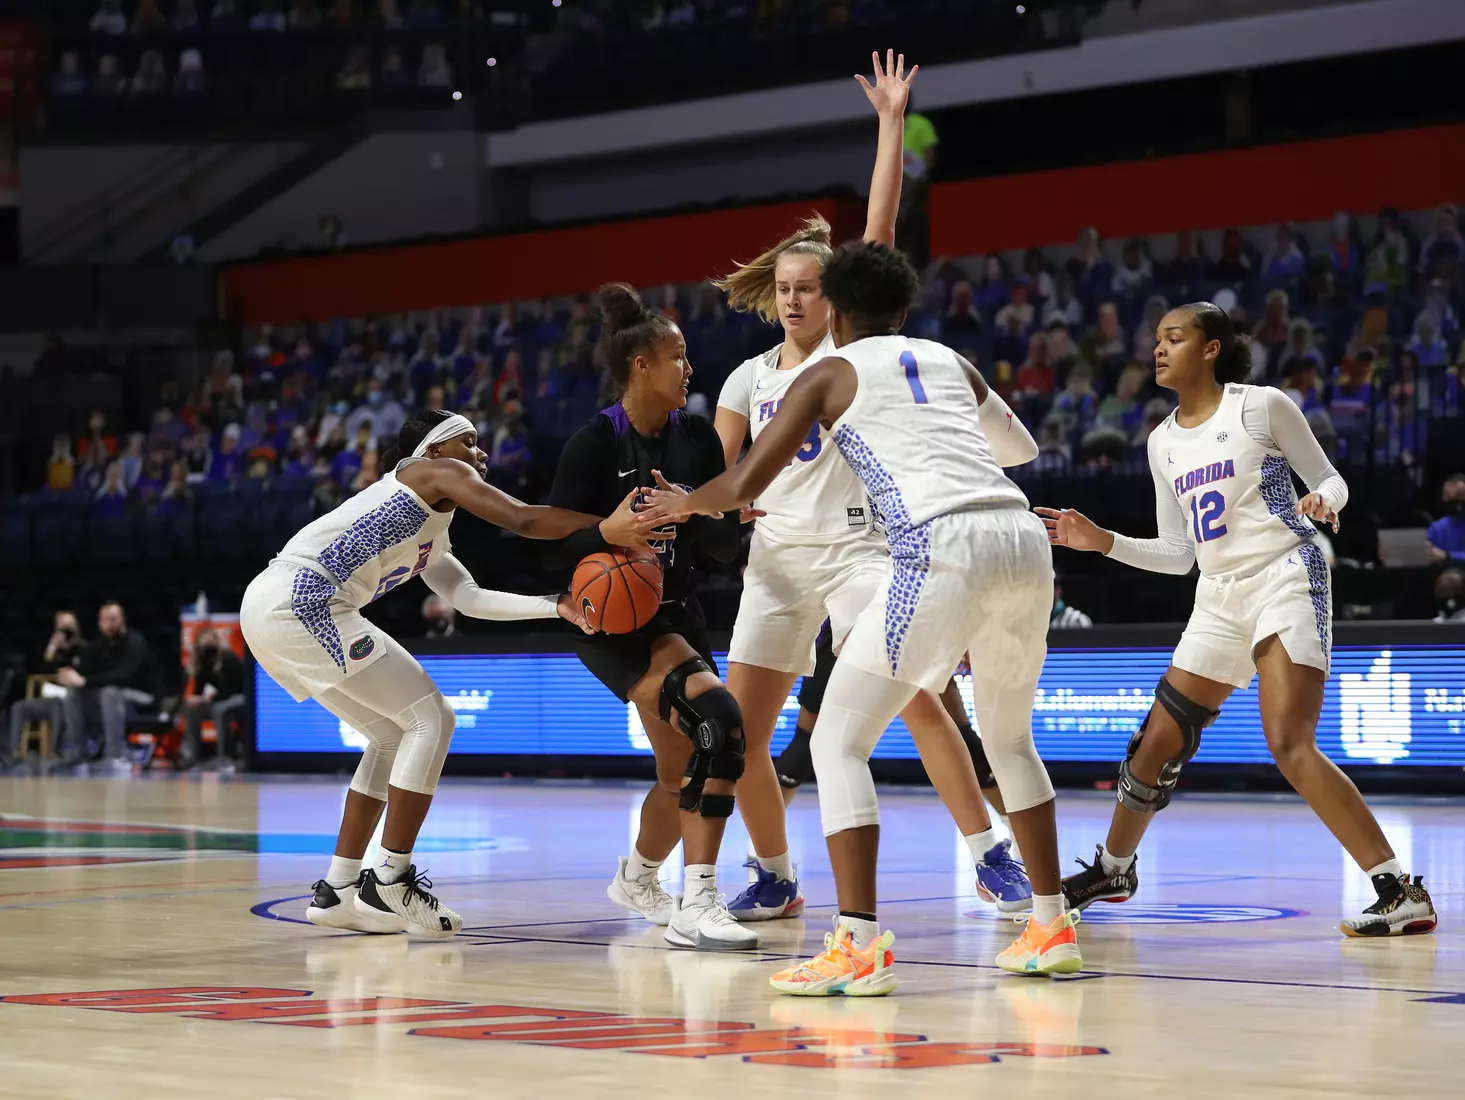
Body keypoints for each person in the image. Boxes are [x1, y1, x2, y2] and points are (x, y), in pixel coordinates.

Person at [647, 239, 1077, 991]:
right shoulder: (947, 358)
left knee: (838, 743)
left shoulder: (826, 372)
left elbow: (744, 478)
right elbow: (1020, 446)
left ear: (835, 312)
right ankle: (1049, 925)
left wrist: (685, 502)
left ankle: (858, 943)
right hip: (1019, 537)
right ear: (904, 310)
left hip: (936, 545)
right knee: (1008, 740)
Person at [711, 51, 1029, 925]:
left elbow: (879, 233)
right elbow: (730, 476)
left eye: (807, 289)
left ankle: (989, 853)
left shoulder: (846, 353)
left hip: (861, 552)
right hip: (777, 561)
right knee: (738, 732)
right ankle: (774, 874)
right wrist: (728, 497)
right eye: (781, 290)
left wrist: (889, 125)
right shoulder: (743, 380)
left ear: (833, 298)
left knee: (921, 702)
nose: (791, 301)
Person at [1039, 302, 1438, 939]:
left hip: (1286, 570)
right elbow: (1178, 556)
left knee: (1287, 742)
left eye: (1175, 337)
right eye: (1158, 339)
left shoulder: (1262, 406)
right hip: (1218, 595)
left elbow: (1333, 481)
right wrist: (1102, 541)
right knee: (1152, 747)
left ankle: (1397, 888)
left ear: (1212, 348)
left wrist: (1320, 500)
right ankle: (1115, 868)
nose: (1159, 349)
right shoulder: (1161, 441)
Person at [241, 408, 645, 938]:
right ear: (432, 451)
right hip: (304, 600)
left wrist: (555, 605)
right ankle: (391, 875)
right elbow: (523, 519)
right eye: (468, 441)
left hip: (274, 606)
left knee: (389, 735)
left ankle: (337, 890)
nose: (480, 454)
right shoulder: (426, 472)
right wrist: (606, 529)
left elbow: (468, 599)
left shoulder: (429, 525)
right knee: (432, 718)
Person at [546, 283, 750, 952]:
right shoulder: (592, 443)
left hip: (676, 606)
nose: (688, 370)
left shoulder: (695, 440)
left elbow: (723, 549)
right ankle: (698, 900)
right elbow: (549, 540)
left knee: (680, 765)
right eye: (678, 358)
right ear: (642, 366)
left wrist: (701, 507)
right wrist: (603, 531)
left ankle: (637, 876)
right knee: (718, 724)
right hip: (611, 618)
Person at [56, 602, 160, 772]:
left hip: (143, 698)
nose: (108, 625)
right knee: (74, 693)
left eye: (113, 619)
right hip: (111, 698)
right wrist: (68, 670)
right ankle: (77, 752)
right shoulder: (99, 644)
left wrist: (85, 681)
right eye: (104, 620)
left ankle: (115, 755)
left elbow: (124, 676)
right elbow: (83, 673)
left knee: (110, 692)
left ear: (122, 621)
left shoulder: (135, 642)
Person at [5, 611, 86, 768]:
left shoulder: (83, 648)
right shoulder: (54, 651)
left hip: (72, 701)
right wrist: (52, 649)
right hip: (51, 696)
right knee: (19, 707)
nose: (65, 630)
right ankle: (13, 752)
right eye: (62, 626)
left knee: (58, 706)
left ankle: (54, 752)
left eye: (69, 626)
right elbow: (41, 672)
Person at [178, 628, 246, 770]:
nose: (207, 649)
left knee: (219, 710)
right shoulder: (200, 662)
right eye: (203, 646)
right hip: (217, 700)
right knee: (192, 710)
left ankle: (225, 757)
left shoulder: (228, 658)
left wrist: (206, 698)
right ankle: (193, 756)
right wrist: (195, 699)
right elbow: (199, 689)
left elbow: (232, 688)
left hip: (239, 698)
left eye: (210, 644)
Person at [1426, 474, 1465, 565]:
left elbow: (1445, 556)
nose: (1453, 499)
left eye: (1459, 495)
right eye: (1448, 495)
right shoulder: (1437, 527)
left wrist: (1449, 556)